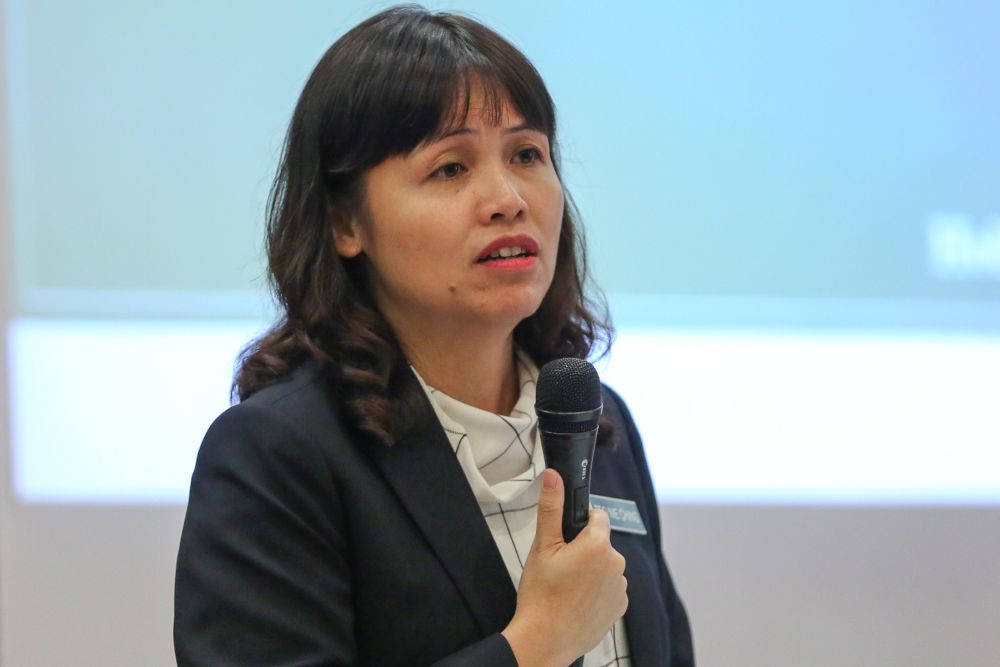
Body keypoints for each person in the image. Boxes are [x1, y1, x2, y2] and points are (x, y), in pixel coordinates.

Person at [174, 5, 693, 666]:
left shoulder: (596, 422)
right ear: (345, 224)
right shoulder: (279, 455)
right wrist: (537, 643)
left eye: (527, 154)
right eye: (450, 168)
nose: (508, 199)